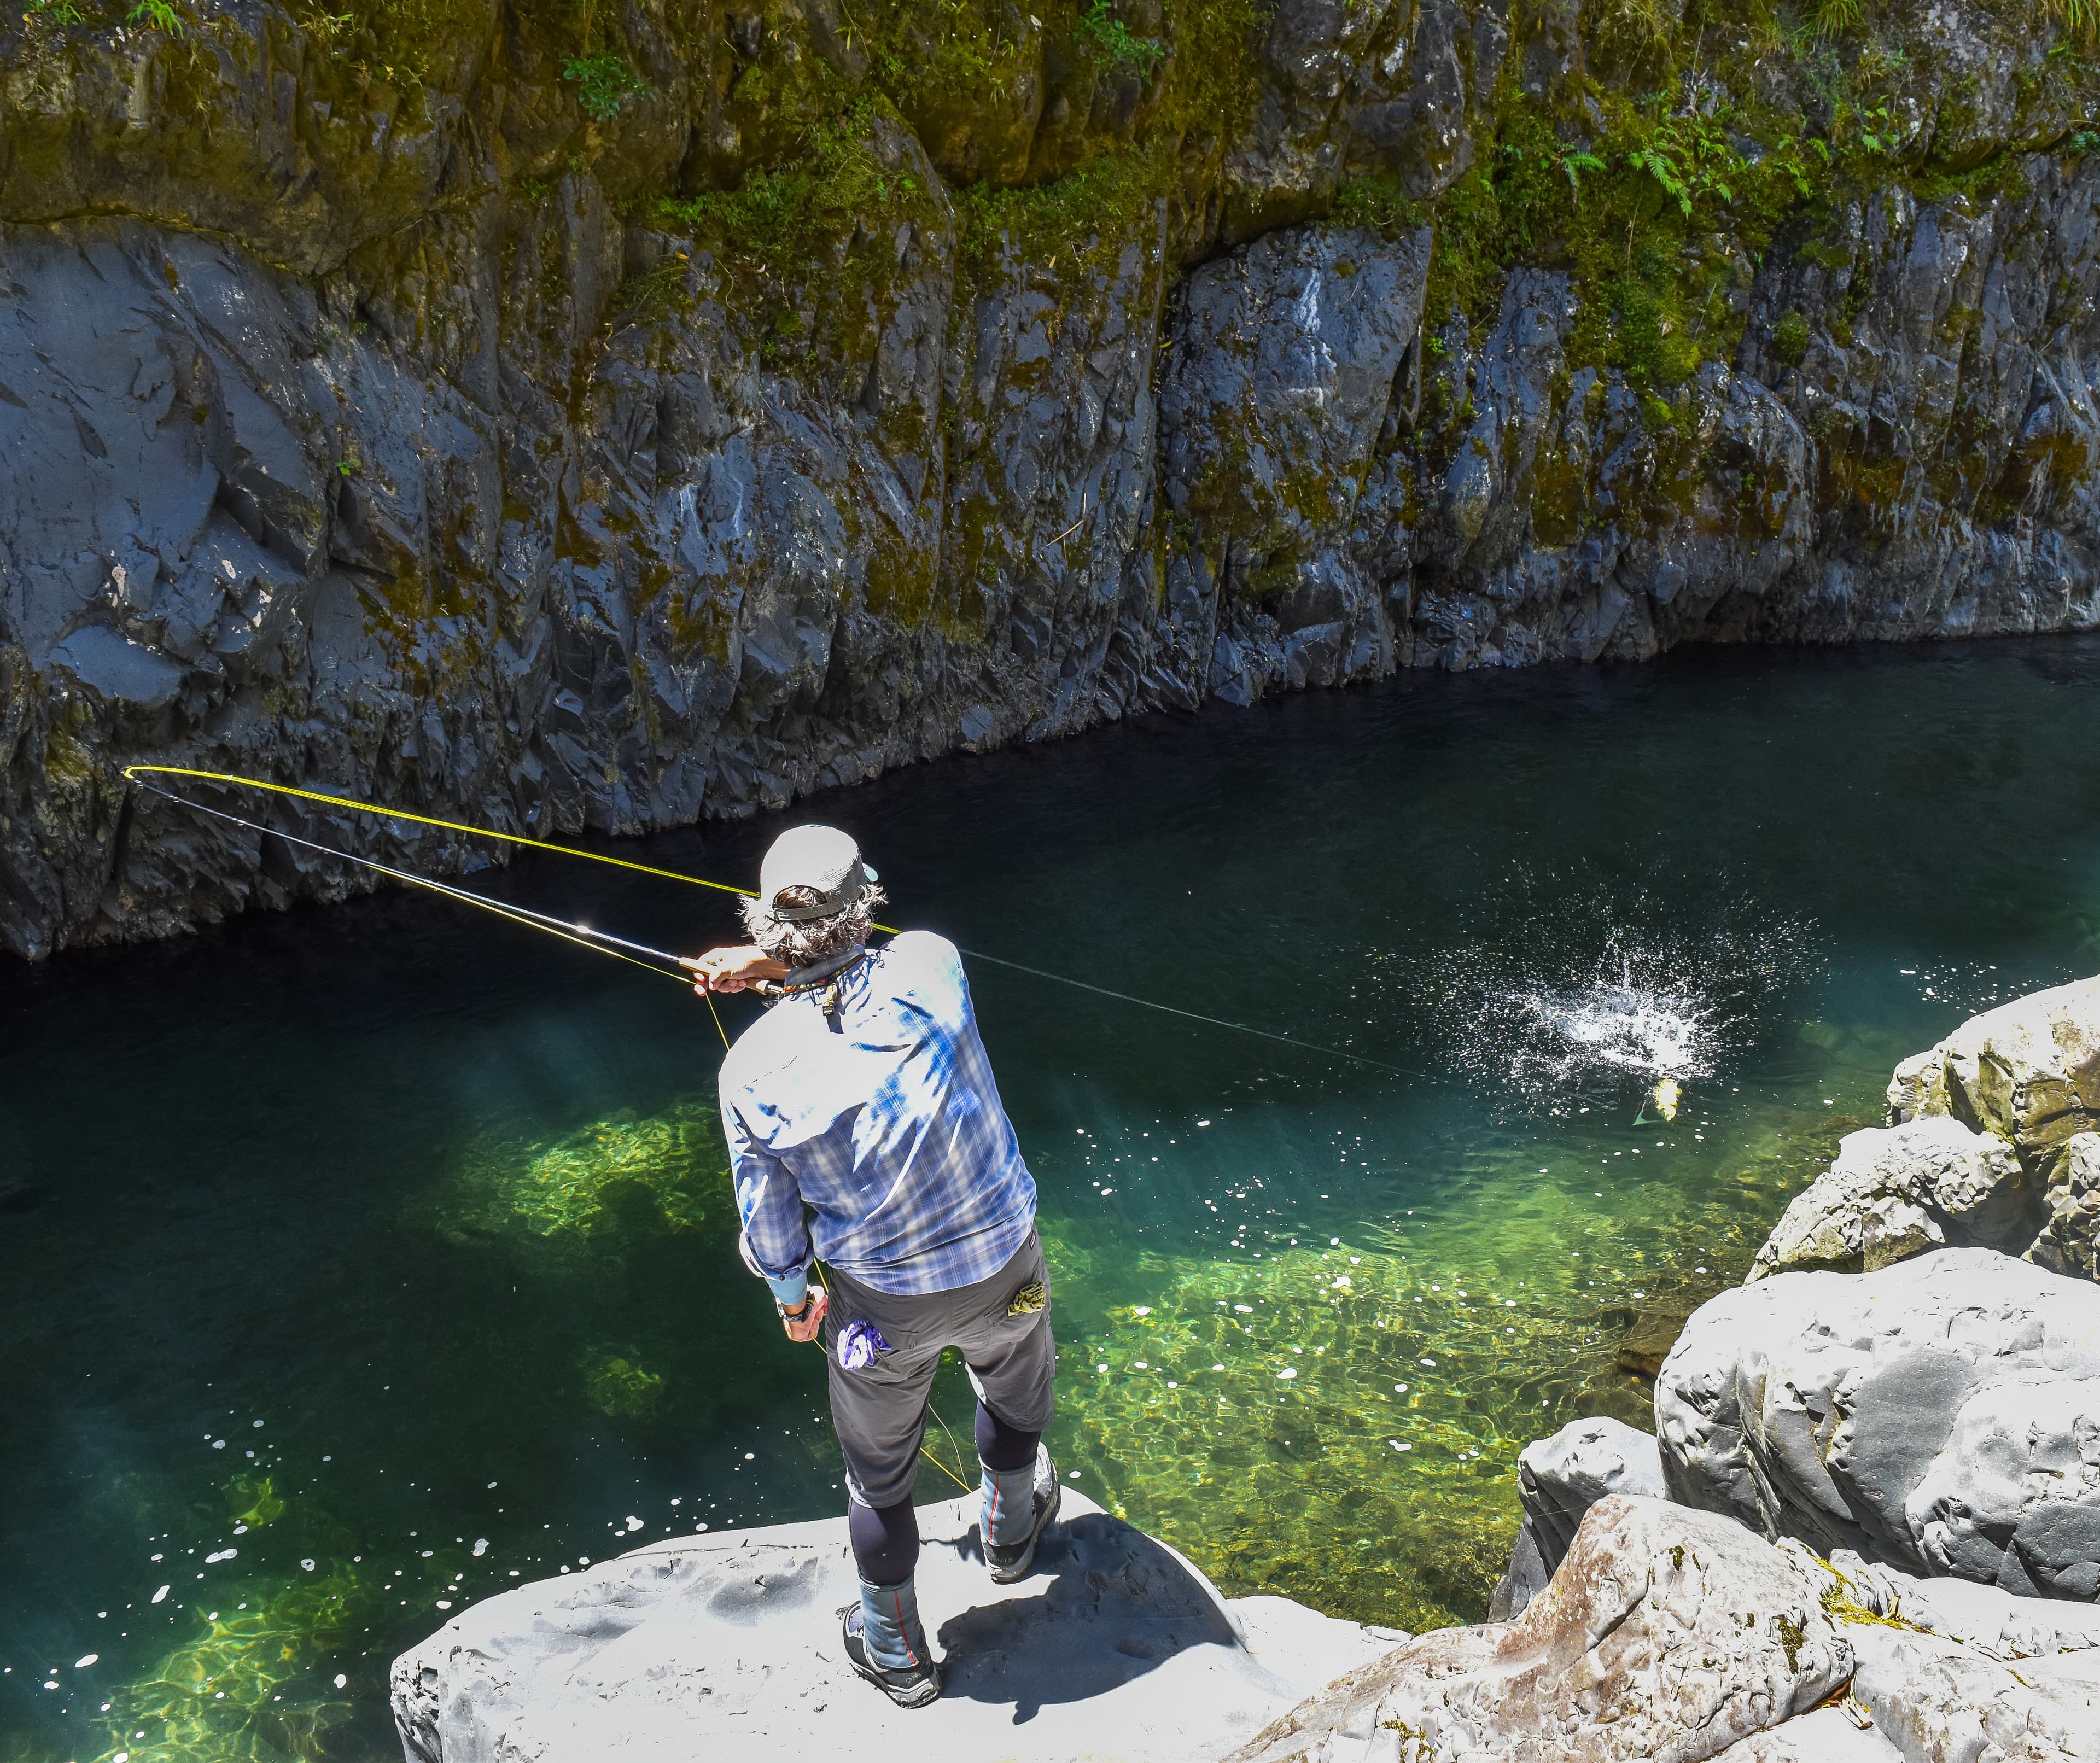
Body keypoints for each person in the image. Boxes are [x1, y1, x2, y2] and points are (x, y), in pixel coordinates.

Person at [687, 824, 1061, 1709]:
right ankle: (1010, 1534)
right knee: (1013, 1386)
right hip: (1007, 1271)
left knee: (880, 1470)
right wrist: (781, 963)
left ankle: (896, 1652)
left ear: (769, 929)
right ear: (869, 904)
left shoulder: (749, 1070)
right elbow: (865, 970)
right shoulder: (933, 964)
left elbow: (770, 1224)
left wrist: (791, 1299)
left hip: (880, 1310)